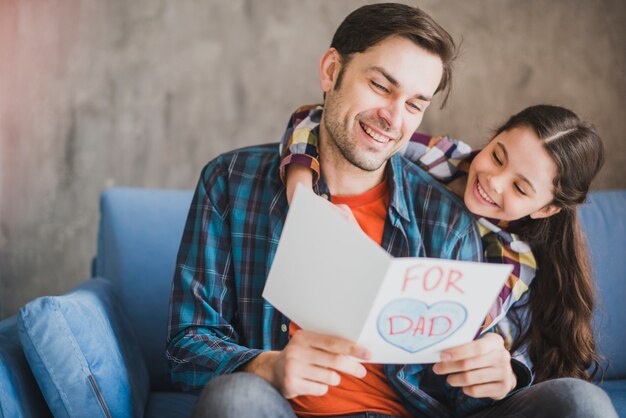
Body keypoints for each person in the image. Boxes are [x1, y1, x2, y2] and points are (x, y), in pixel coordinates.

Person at [166, 3, 617, 417]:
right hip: (278, 409)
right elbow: (186, 348)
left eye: (415, 104)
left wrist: (499, 371)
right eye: (381, 85)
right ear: (330, 70)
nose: (393, 117)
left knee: (580, 401)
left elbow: (457, 389)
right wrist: (267, 366)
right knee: (235, 396)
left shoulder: (452, 221)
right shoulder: (230, 180)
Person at [280, 103, 605, 385]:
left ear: (547, 209)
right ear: (493, 137)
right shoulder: (444, 159)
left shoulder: (514, 262)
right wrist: (303, 196)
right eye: (497, 156)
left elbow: (464, 333)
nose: (494, 180)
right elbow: (318, 119)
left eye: (520, 189)